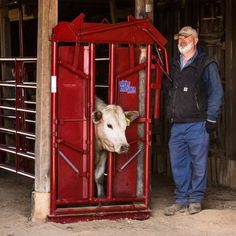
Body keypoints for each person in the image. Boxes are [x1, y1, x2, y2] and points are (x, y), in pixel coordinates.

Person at [164, 26, 224, 216]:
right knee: (178, 163)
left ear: (195, 40)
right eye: (180, 37)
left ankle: (195, 199)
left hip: (198, 123)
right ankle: (181, 199)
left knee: (198, 163)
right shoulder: (173, 63)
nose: (182, 40)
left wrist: (211, 119)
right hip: (177, 124)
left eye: (186, 37)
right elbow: (168, 91)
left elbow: (217, 92)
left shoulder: (206, 63)